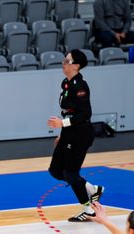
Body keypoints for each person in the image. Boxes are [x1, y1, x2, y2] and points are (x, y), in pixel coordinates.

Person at [47, 49, 105, 222]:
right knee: (55, 170)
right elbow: (69, 113)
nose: (63, 63)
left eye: (67, 61)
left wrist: (62, 124)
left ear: (76, 66)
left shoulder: (80, 86)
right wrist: (62, 133)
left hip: (80, 134)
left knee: (71, 173)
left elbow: (84, 114)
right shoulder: (66, 83)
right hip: (69, 133)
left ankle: (88, 210)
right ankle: (92, 189)